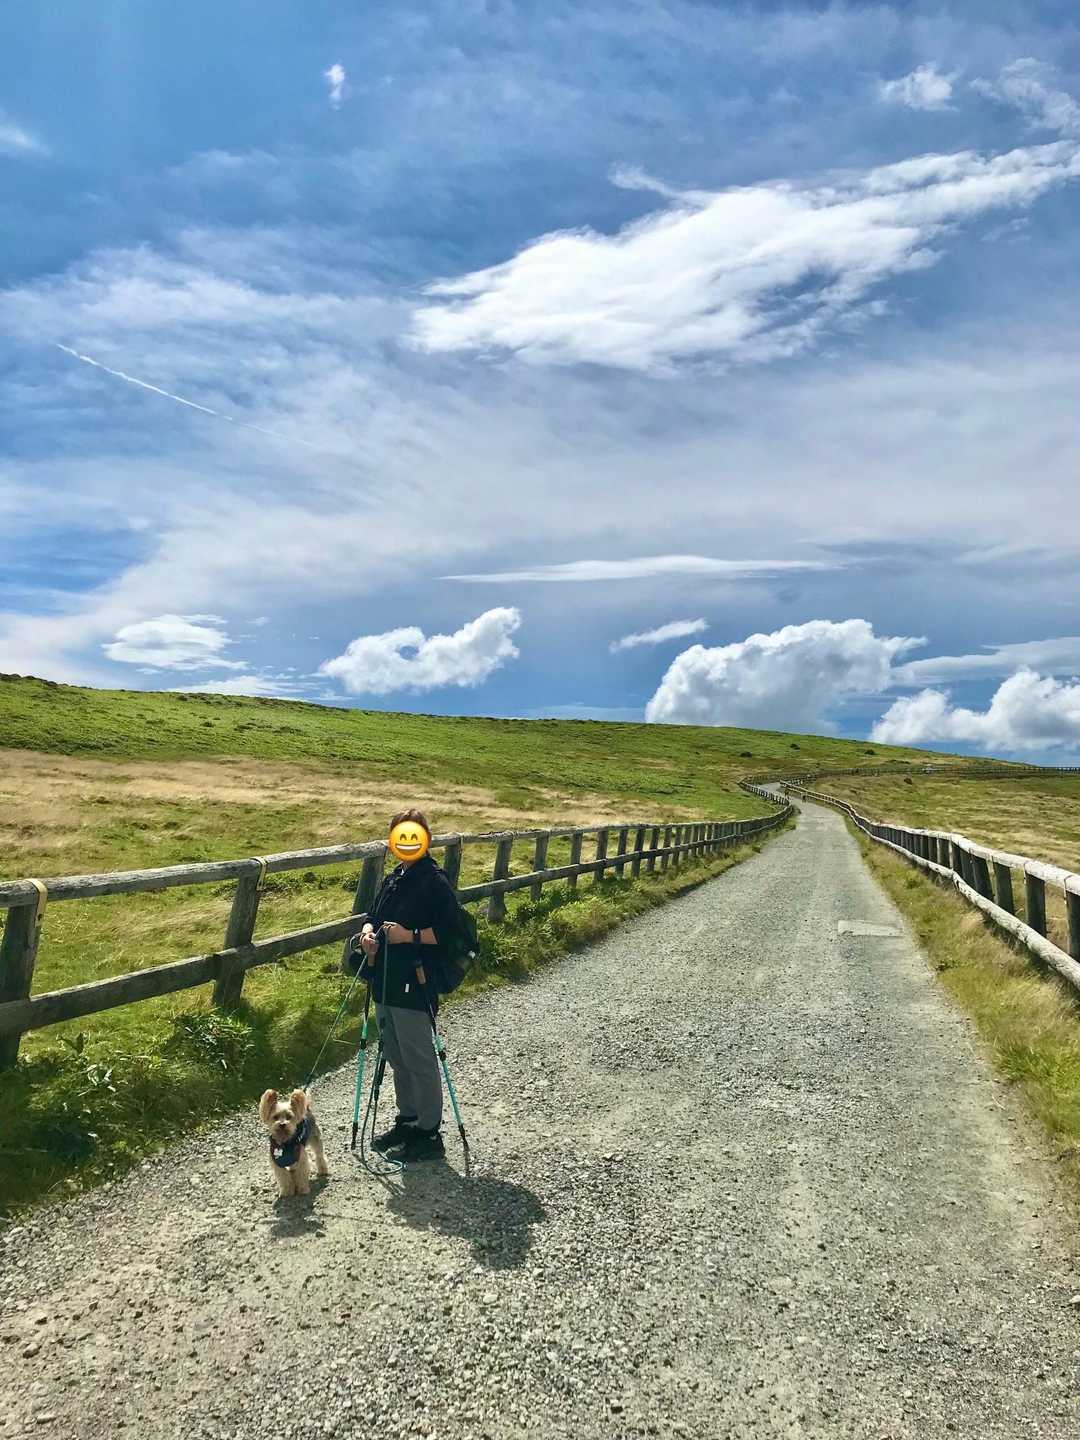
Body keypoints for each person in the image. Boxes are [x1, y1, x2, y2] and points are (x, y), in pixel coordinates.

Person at [345, 808, 459, 1162]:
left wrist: (408, 935)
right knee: (395, 1053)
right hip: (385, 979)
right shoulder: (395, 878)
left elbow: (450, 933)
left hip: (415, 980)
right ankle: (408, 1119)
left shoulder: (434, 882)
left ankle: (429, 1132)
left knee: (418, 1056)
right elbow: (372, 916)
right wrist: (367, 934)